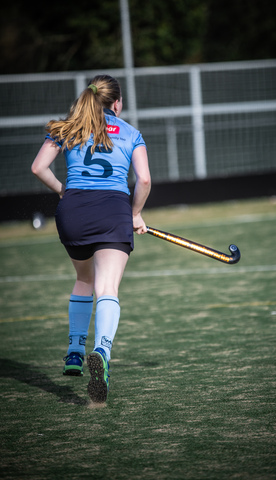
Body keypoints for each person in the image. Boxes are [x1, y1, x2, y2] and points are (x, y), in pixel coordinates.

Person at [31, 74, 151, 403]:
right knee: (107, 287)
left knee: (83, 278)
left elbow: (38, 167)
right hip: (113, 211)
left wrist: (63, 191)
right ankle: (102, 351)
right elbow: (143, 179)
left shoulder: (68, 127)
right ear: (117, 103)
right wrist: (135, 213)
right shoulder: (130, 133)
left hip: (73, 213)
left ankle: (74, 351)